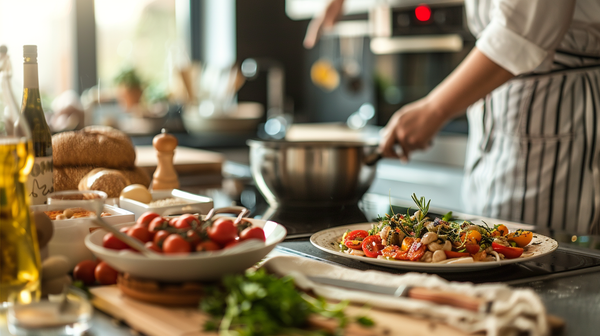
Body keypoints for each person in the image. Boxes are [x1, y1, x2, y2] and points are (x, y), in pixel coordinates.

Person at [305, 0, 600, 234]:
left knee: (531, 265)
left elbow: (522, 30)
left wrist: (435, 109)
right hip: (502, 104)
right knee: (484, 248)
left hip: (553, 105)